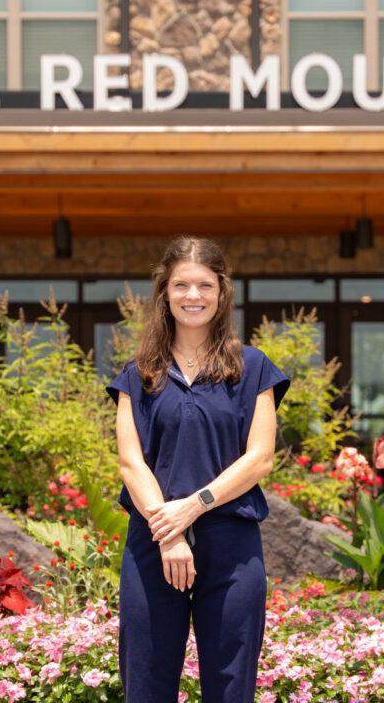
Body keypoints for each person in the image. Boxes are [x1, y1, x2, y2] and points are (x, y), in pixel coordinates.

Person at [107, 236, 289, 703]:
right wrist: (169, 532)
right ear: (165, 293)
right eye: (181, 285)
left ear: (222, 291)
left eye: (204, 285)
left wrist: (194, 506)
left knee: (231, 689)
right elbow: (131, 461)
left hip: (232, 546)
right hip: (153, 542)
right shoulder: (138, 372)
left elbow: (260, 458)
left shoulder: (253, 368)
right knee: (146, 686)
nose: (193, 296)